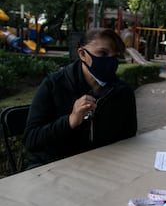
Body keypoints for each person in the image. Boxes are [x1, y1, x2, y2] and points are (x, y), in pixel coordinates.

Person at [23, 28, 137, 168]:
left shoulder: (122, 91)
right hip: (53, 166)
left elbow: (129, 137)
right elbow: (31, 139)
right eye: (103, 53)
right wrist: (70, 120)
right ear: (82, 54)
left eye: (115, 56)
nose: (110, 61)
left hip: (101, 166)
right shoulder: (54, 85)